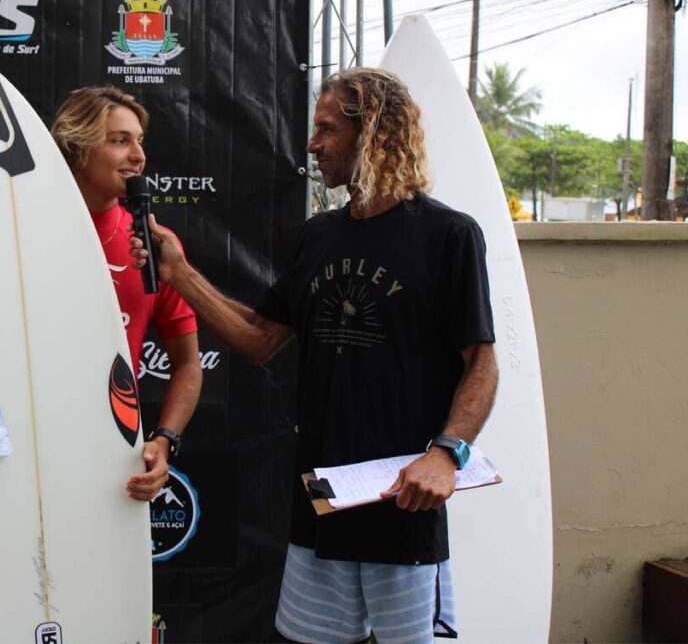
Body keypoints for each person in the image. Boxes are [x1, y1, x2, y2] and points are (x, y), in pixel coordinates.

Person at [130, 68, 498, 643]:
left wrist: (447, 455)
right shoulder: (317, 236)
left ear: (373, 133)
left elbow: (481, 359)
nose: (311, 145)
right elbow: (258, 337)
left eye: (326, 130)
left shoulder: (448, 235)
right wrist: (178, 272)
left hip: (401, 506)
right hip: (320, 505)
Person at [0, 85, 202, 503]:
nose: (139, 155)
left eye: (139, 141)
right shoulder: (9, 232)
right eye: (119, 141)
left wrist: (164, 441)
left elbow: (188, 362)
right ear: (76, 149)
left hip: (103, 443)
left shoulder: (154, 247)